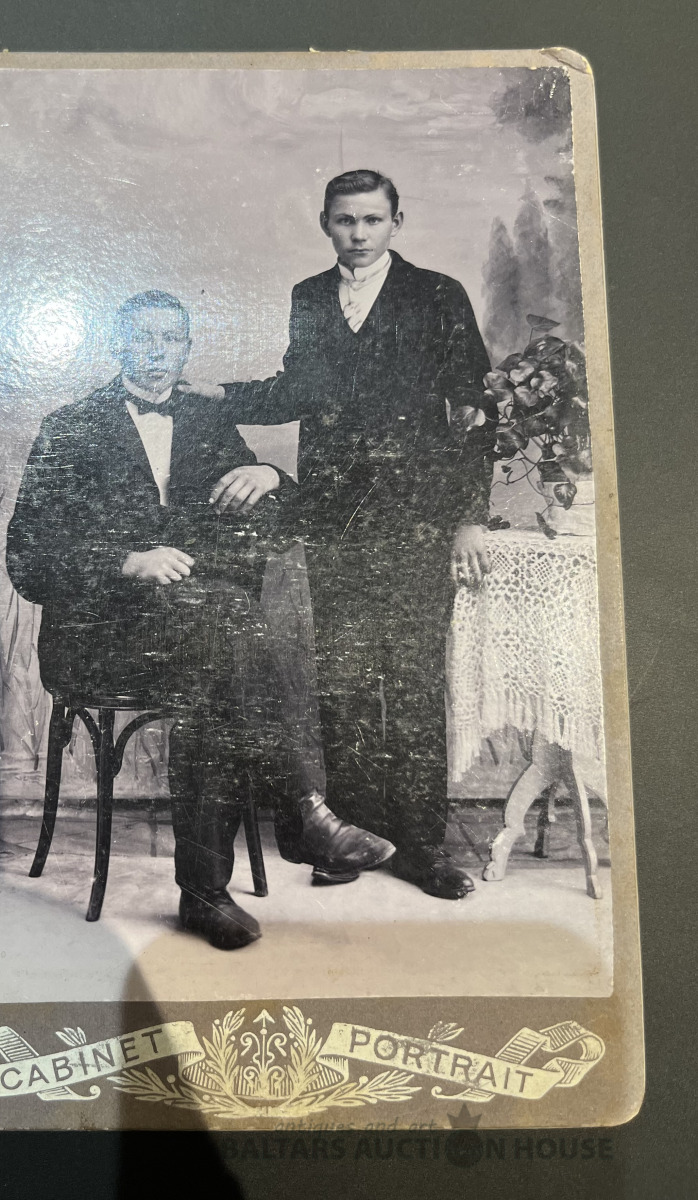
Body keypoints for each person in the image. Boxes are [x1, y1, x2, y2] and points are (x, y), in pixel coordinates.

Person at [6, 290, 392, 951]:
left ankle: (208, 892)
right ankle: (297, 817)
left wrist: (271, 475)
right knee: (230, 634)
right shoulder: (70, 426)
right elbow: (28, 556)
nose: (157, 351)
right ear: (117, 344)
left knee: (220, 657)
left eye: (172, 339)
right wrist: (128, 562)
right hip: (102, 636)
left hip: (200, 634)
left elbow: (284, 520)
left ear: (187, 349)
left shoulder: (207, 423)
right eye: (143, 337)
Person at [208, 170, 498, 900]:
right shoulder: (310, 296)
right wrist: (217, 394)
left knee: (412, 682)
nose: (359, 233)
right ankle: (355, 837)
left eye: (372, 219)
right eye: (345, 220)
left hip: (417, 522)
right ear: (325, 224)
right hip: (335, 523)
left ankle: (422, 848)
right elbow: (296, 389)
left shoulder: (437, 295)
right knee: (343, 682)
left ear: (397, 222)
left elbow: (475, 409)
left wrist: (468, 518)